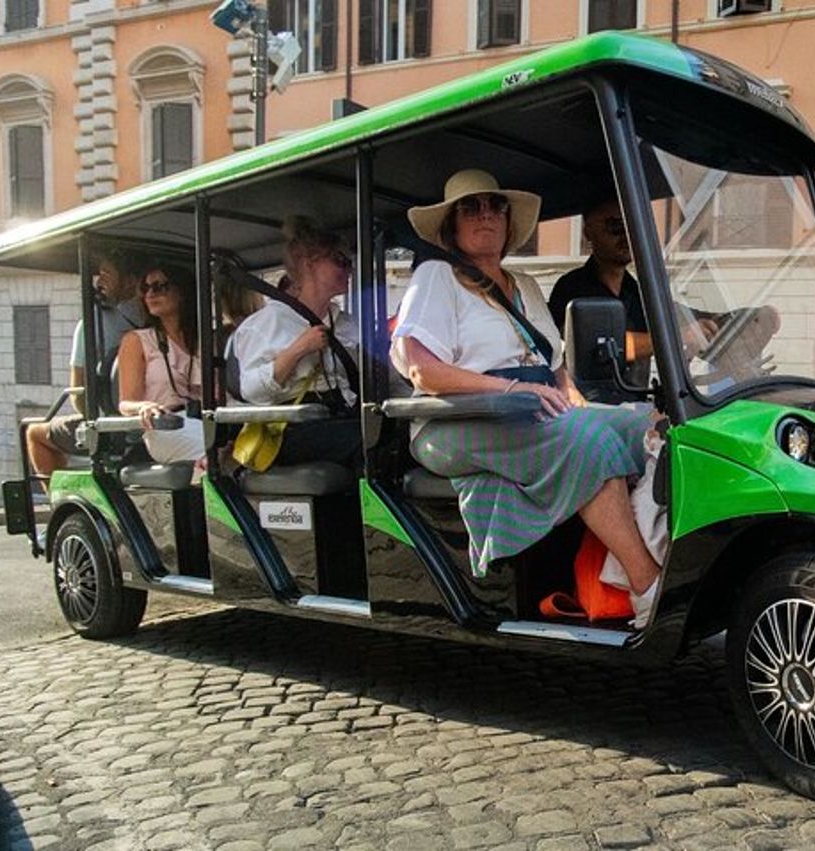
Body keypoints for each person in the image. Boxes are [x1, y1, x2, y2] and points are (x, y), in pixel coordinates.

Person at [391, 169, 661, 625]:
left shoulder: (528, 287)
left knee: (649, 426)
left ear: (508, 220)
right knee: (586, 441)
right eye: (470, 207)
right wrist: (511, 389)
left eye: (494, 205)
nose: (485, 215)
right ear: (451, 225)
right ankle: (645, 584)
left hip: (531, 410)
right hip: (458, 419)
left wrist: (585, 405)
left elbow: (558, 373)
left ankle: (631, 558)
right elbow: (422, 368)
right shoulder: (436, 276)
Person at [549, 197, 779, 391]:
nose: (626, 236)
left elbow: (685, 318)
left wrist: (749, 318)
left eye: (631, 226)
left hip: (640, 406)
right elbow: (594, 347)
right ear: (589, 232)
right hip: (590, 408)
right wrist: (677, 337)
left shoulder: (640, 293)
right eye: (615, 226)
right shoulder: (571, 289)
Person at [227, 216, 361, 467]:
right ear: (309, 264)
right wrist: (299, 349)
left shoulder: (346, 323)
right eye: (339, 261)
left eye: (349, 262)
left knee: (392, 432)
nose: (348, 270)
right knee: (372, 441)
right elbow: (252, 391)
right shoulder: (266, 323)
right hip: (289, 428)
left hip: (339, 417)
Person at [25, 248, 145, 480]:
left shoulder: (91, 323)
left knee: (34, 433)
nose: (99, 281)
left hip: (112, 427)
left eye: (106, 274)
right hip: (149, 419)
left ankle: (58, 502)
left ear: (129, 282)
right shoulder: (154, 318)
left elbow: (79, 398)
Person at [115, 263, 205, 464]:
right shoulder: (137, 340)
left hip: (205, 421)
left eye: (159, 286)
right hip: (168, 426)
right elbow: (126, 403)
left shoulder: (205, 340)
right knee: (213, 453)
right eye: (145, 289)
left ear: (182, 291)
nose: (150, 294)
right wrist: (144, 407)